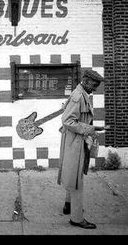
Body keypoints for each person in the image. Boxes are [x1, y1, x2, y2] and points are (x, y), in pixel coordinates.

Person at [57, 69, 107, 229]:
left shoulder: (81, 94)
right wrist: (91, 129)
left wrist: (93, 129)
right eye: (94, 84)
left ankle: (68, 205)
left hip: (76, 141)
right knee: (77, 179)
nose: (95, 88)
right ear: (85, 81)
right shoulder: (78, 97)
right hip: (76, 143)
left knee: (73, 174)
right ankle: (76, 219)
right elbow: (67, 121)